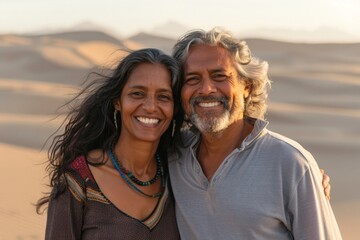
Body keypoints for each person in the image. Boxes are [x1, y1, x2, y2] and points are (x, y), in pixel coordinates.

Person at [169, 28, 342, 239]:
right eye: (192, 79)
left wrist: (310, 176)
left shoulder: (290, 163)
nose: (206, 89)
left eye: (219, 76)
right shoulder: (171, 157)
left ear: (247, 86)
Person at [36, 48, 182, 239]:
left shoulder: (179, 175)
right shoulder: (79, 180)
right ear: (117, 102)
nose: (150, 107)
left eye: (163, 97)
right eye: (137, 93)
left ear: (174, 108)